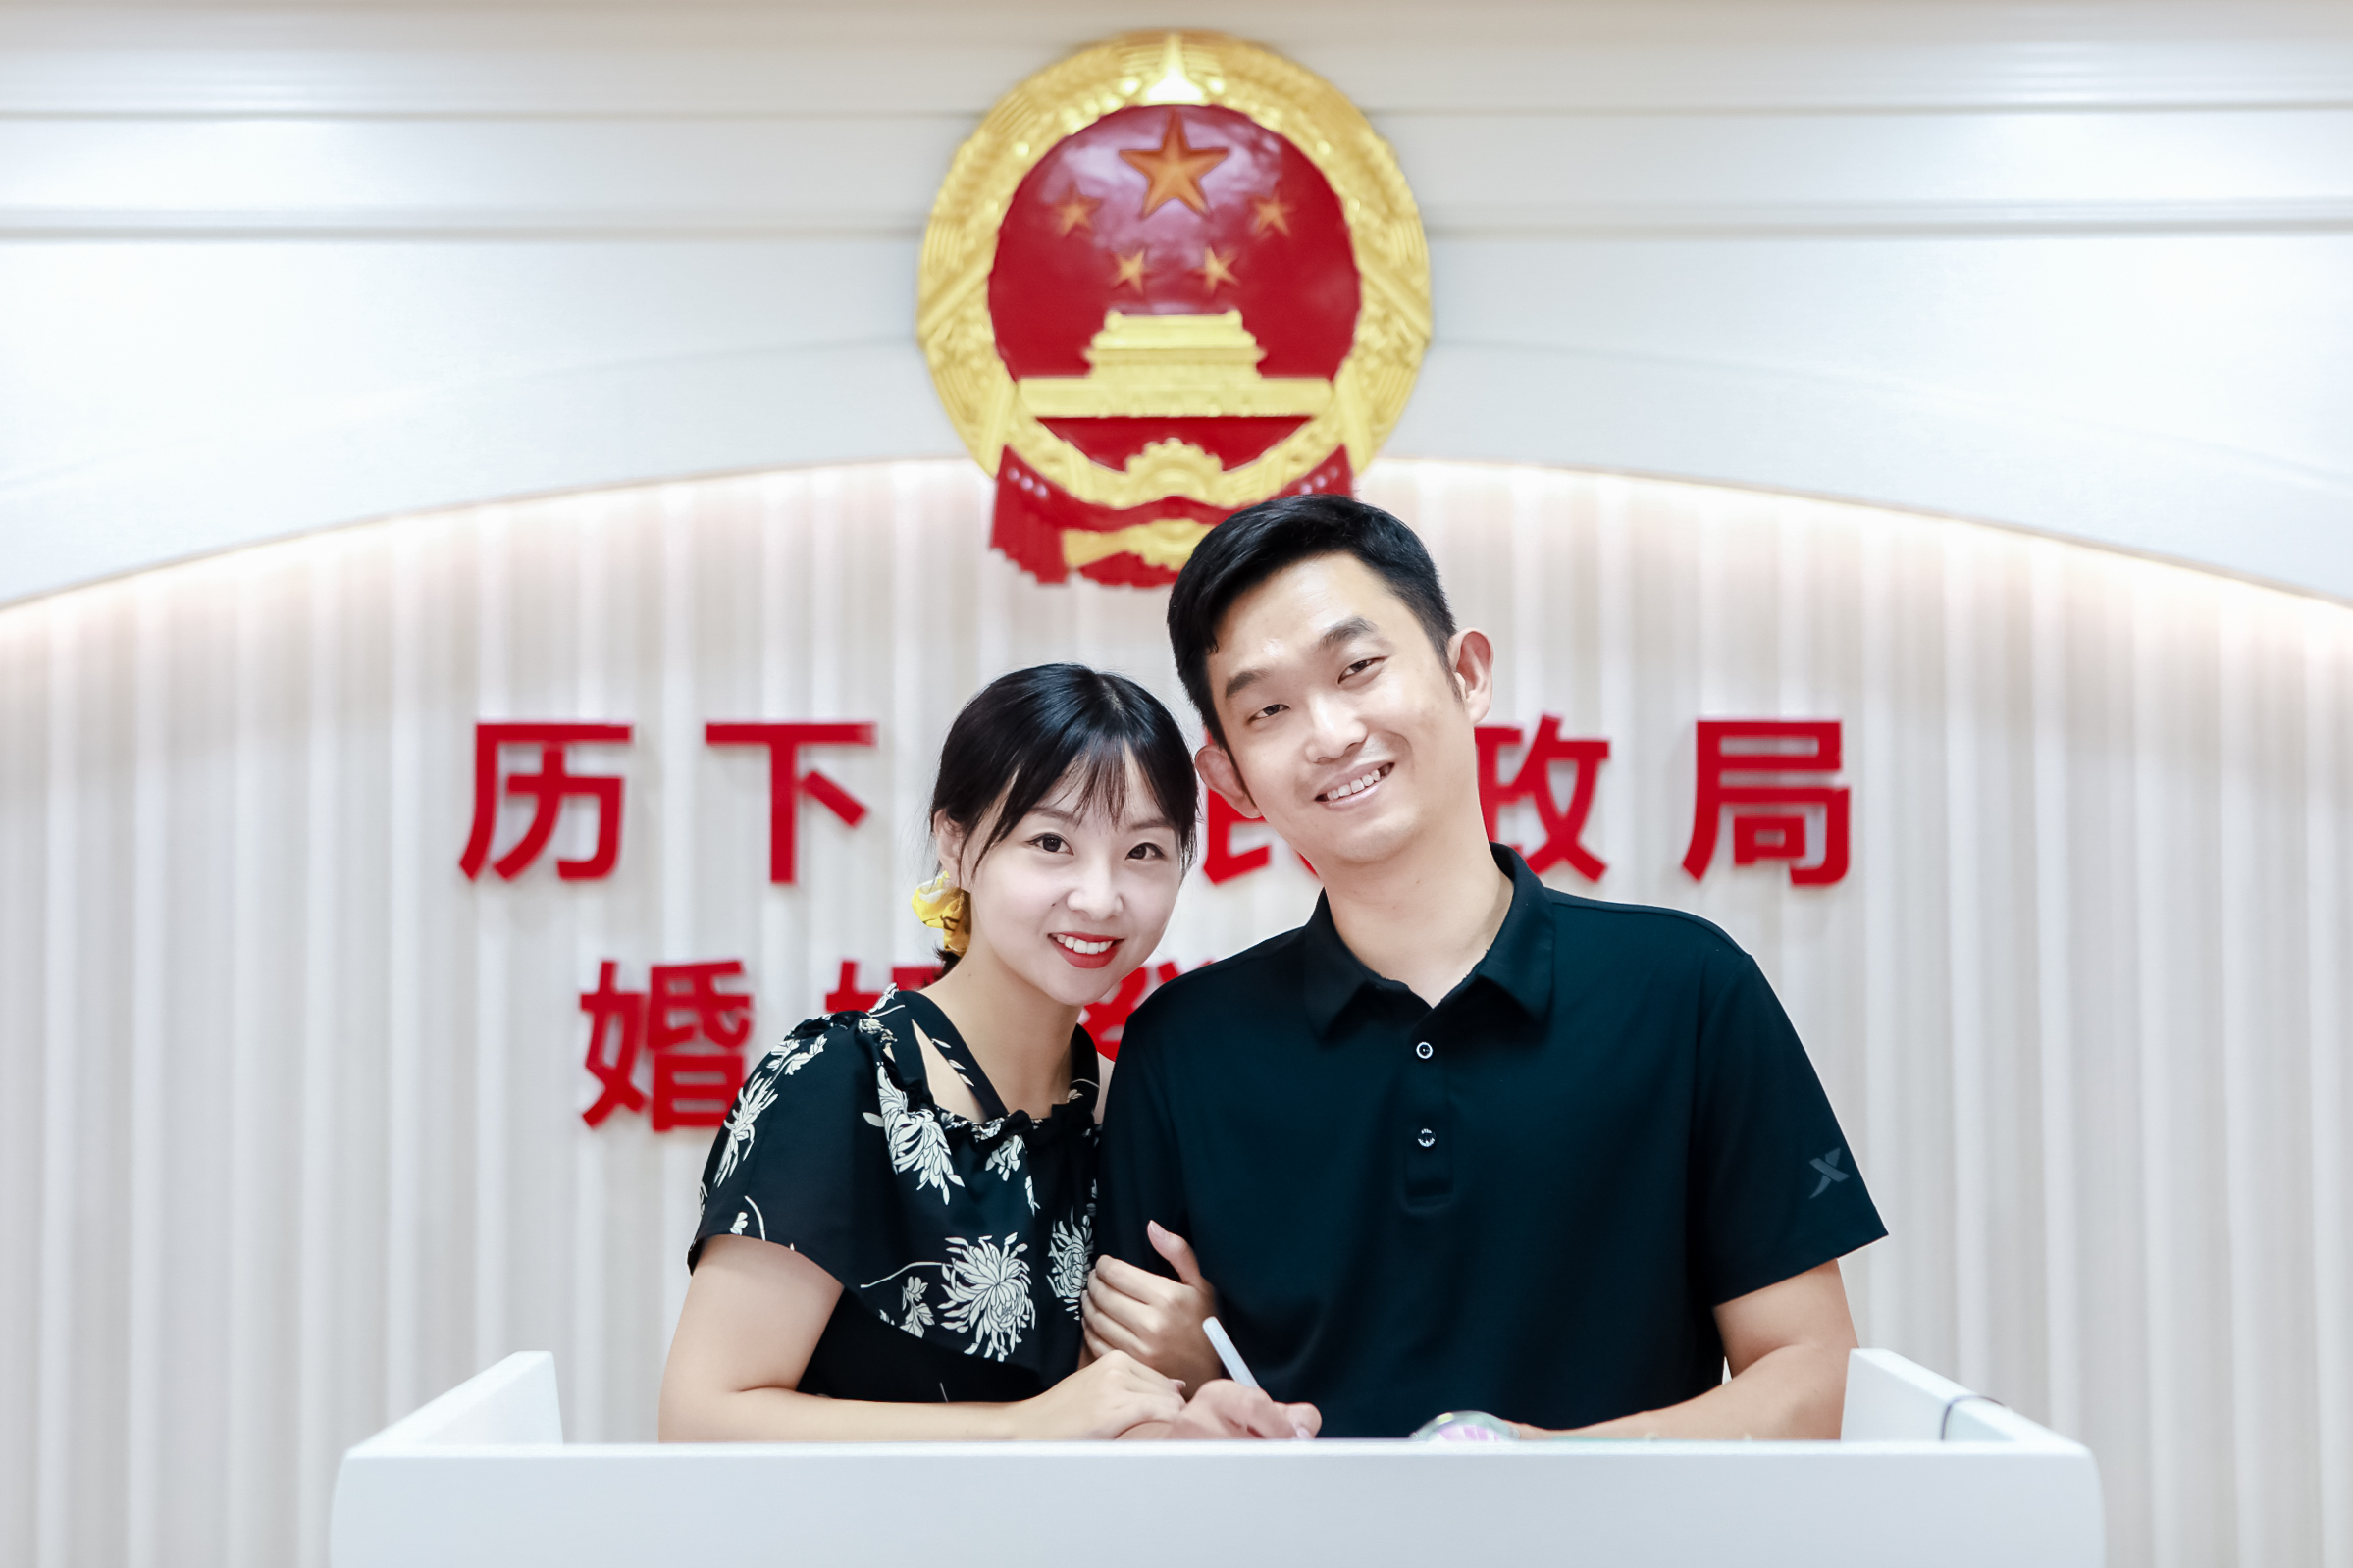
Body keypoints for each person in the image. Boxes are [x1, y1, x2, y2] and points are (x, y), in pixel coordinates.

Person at [1084, 496, 1888, 1439]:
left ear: (1466, 674)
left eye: (1358, 668)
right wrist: (1189, 1415)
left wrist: (1542, 1471)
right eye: (1269, 709)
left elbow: (1813, 1376)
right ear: (1230, 780)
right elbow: (1120, 1412)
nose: (1330, 733)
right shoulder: (1183, 1047)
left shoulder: (1688, 991)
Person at [659, 663, 1315, 1441]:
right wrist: (1021, 1429)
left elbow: (1117, 1428)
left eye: (1144, 851)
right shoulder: (844, 1084)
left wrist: (1198, 1363)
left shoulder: (1134, 1108)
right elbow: (700, 1420)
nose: (1100, 897)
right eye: (1051, 843)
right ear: (958, 844)